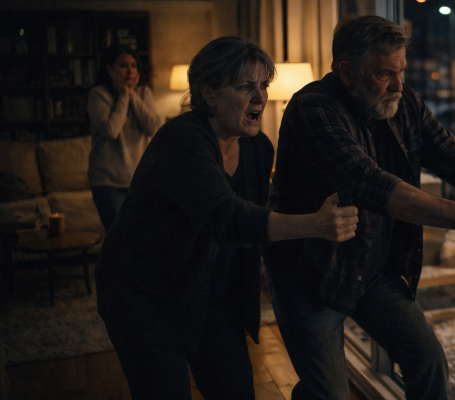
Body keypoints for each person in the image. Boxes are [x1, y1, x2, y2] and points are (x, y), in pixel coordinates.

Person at [265, 15, 455, 399]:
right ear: (347, 72)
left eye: (401, 71)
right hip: (311, 273)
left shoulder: (404, 103)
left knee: (429, 363)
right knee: (328, 394)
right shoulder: (312, 109)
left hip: (372, 270)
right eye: (384, 74)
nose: (398, 85)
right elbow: (373, 185)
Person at [95, 37, 359, 400]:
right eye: (245, 86)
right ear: (209, 94)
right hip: (146, 298)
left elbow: (254, 226)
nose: (260, 97)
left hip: (212, 298)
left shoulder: (258, 147)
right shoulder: (182, 140)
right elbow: (226, 217)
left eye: (263, 85)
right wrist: (313, 225)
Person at [87, 44, 162, 232]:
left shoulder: (144, 93)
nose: (130, 70)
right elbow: (110, 130)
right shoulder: (98, 94)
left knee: (144, 237)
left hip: (140, 182)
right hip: (107, 182)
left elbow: (154, 128)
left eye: (133, 65)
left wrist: (132, 95)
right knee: (120, 238)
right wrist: (124, 96)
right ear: (109, 69)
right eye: (123, 65)